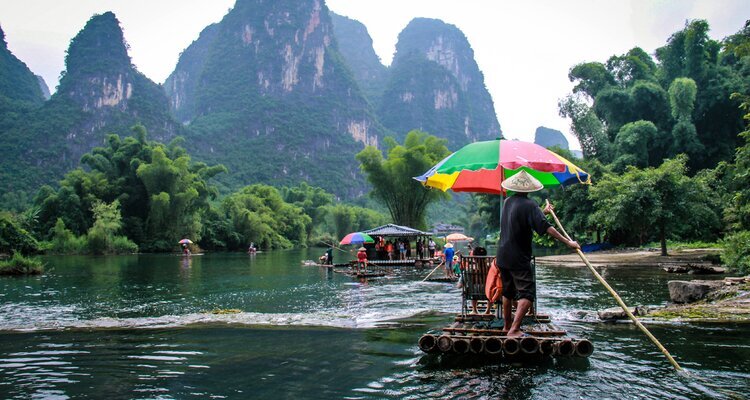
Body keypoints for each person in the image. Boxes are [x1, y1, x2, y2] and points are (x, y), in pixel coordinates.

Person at [496, 170, 580, 337]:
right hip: (519, 256)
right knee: (527, 293)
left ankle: (506, 326)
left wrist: (544, 212)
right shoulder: (530, 205)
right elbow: (547, 228)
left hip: (503, 255)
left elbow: (526, 218)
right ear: (529, 189)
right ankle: (514, 329)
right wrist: (569, 242)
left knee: (508, 291)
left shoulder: (507, 202)